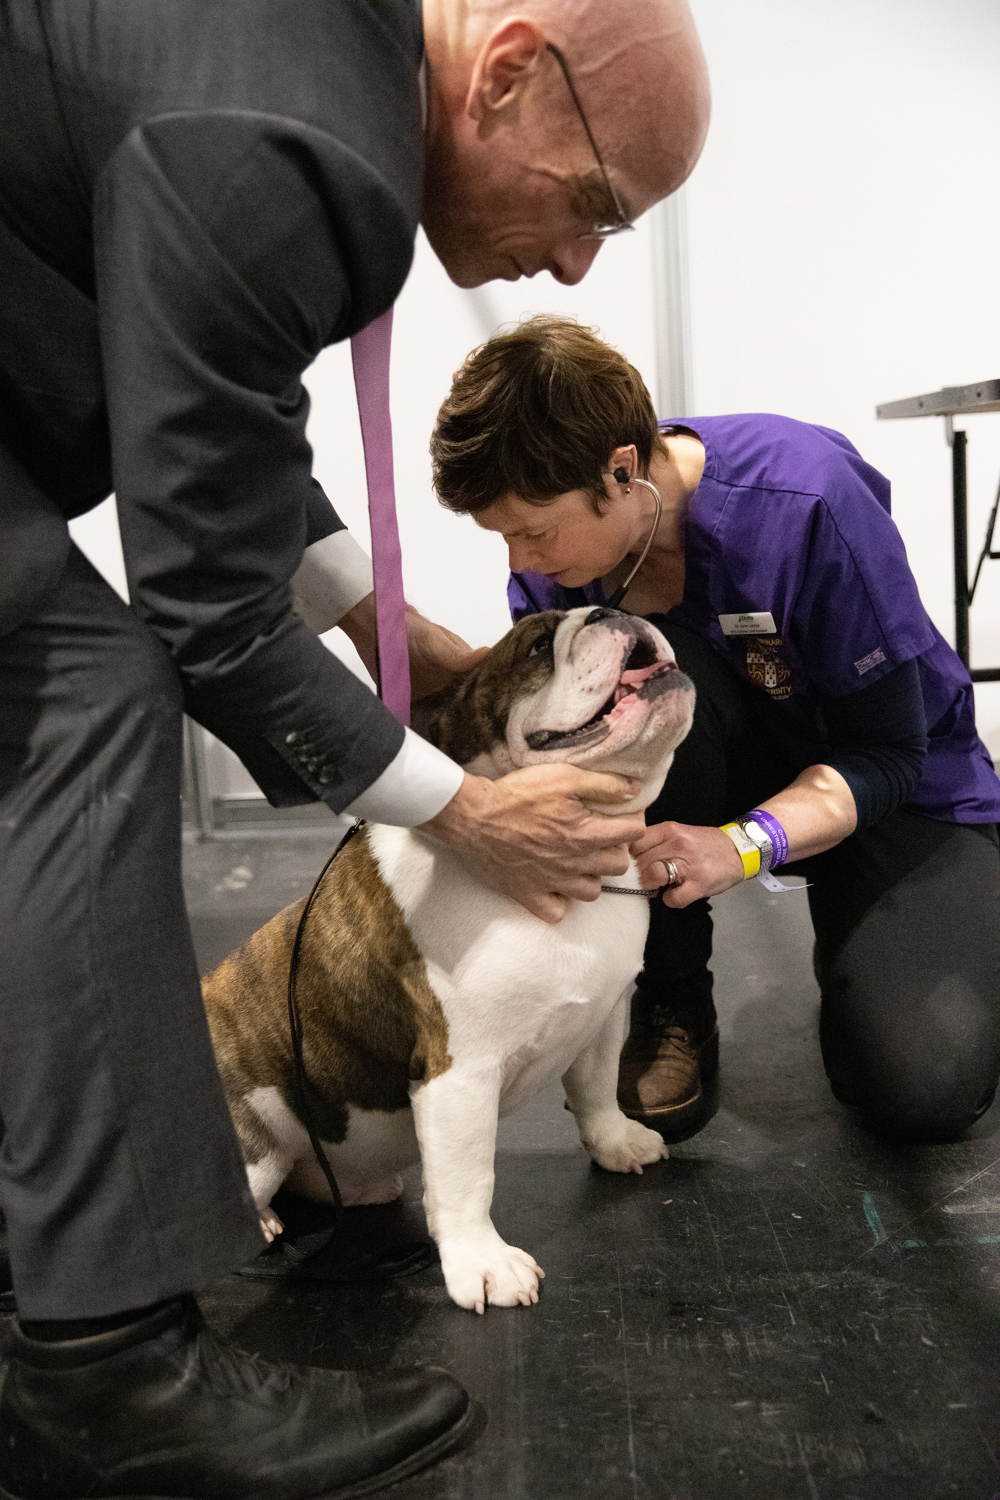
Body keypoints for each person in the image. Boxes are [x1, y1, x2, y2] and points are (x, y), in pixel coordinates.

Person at [0, 3, 710, 1495]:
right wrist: (464, 811)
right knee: (90, 701)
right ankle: (105, 1372)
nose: (579, 265)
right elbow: (204, 599)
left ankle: (52, 1246)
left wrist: (412, 638)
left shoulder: (306, 68)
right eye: (592, 206)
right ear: (510, 72)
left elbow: (227, 429)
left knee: (76, 692)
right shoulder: (300, 139)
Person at [430, 315, 1000, 1150]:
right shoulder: (565, 568)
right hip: (722, 755)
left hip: (890, 784)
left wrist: (741, 846)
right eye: (503, 536)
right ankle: (669, 993)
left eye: (533, 530)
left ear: (619, 472)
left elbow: (889, 751)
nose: (519, 562)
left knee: (924, 1093)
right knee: (649, 683)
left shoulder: (804, 503)